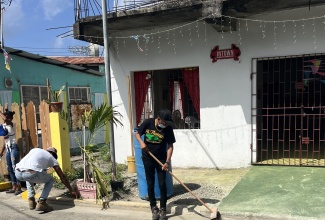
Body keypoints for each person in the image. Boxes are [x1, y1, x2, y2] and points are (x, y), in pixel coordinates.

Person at [135, 109, 176, 220]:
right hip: (148, 157)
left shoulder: (168, 129)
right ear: (159, 119)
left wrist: (167, 161)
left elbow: (170, 146)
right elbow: (137, 133)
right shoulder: (148, 123)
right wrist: (142, 143)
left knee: (162, 184)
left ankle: (163, 208)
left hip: (161, 158)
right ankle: (153, 207)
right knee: (150, 183)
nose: (166, 124)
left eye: (167, 122)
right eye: (164, 122)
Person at [15, 147, 78, 212]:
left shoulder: (35, 150)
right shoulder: (52, 159)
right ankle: (42, 202)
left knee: (29, 176)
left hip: (17, 172)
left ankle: (31, 200)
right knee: (50, 180)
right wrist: (71, 190)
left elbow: (31, 166)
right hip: (30, 172)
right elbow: (62, 177)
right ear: (54, 155)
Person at [0, 109, 22, 195]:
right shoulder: (3, 126)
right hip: (8, 148)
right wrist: (1, 152)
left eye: (8, 117)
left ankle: (19, 186)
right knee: (9, 168)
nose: (6, 118)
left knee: (14, 167)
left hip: (14, 148)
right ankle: (14, 186)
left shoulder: (12, 125)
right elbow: (5, 141)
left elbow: (5, 119)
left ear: (11, 118)